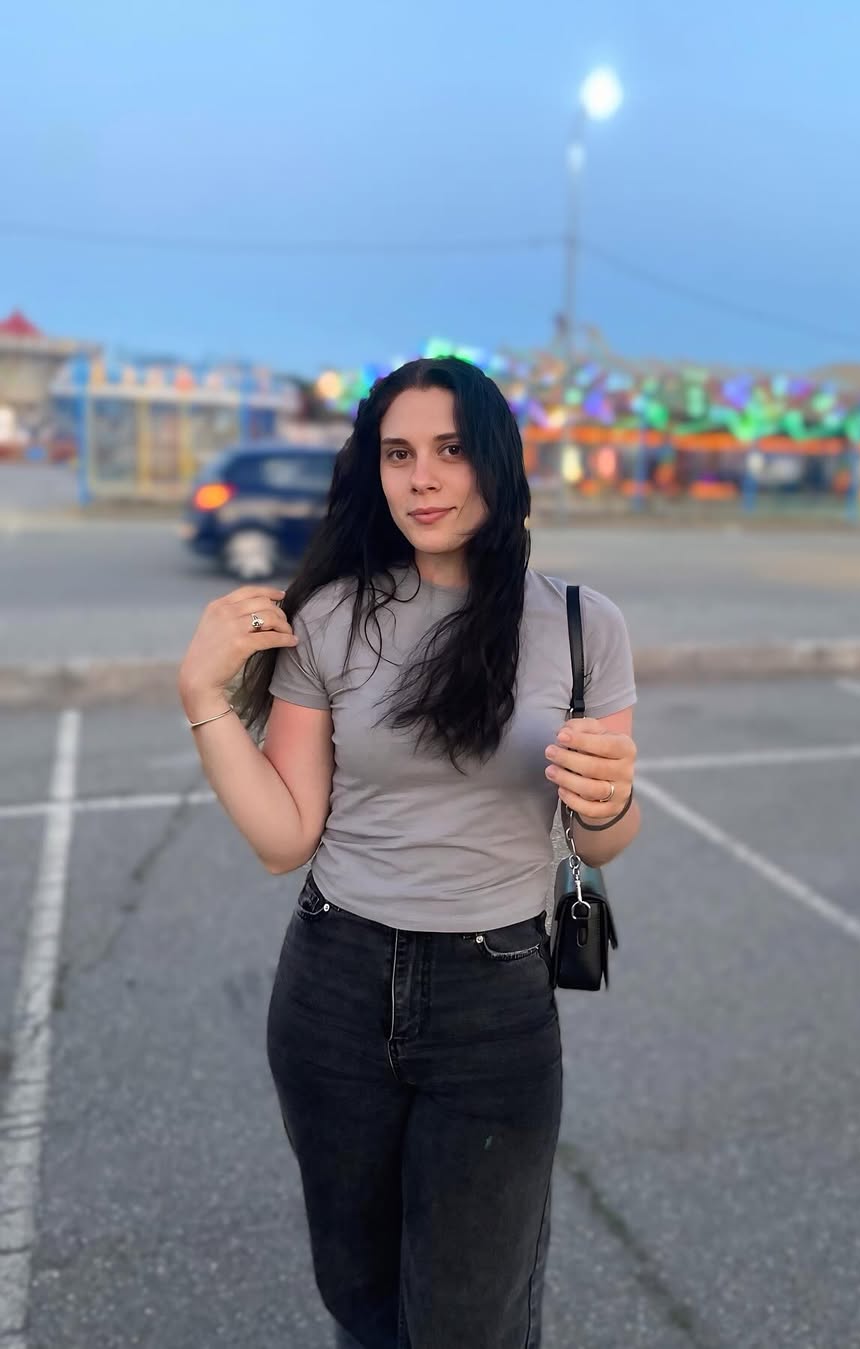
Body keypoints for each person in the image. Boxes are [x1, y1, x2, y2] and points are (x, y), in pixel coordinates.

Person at [177, 356, 641, 1348]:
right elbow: (283, 838)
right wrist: (203, 699)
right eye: (398, 453)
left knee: (469, 1318)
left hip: (494, 996)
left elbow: (601, 836)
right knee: (363, 1297)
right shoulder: (331, 617)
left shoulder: (580, 624)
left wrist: (611, 796)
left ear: (498, 460)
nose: (422, 477)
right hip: (334, 985)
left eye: (451, 449)